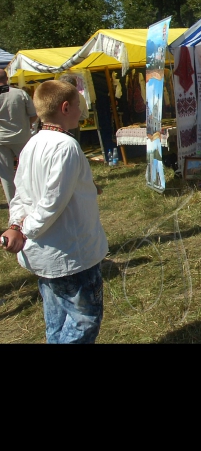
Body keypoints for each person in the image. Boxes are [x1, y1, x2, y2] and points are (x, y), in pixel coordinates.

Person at [1, 80, 107, 343]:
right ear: (65, 107)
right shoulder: (64, 146)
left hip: (49, 253)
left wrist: (17, 225)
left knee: (57, 320)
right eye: (78, 105)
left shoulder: (32, 144)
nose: (81, 111)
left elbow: (21, 194)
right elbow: (52, 202)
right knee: (83, 320)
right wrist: (23, 230)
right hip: (70, 252)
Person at [0, 68, 37, 205]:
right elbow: (34, 114)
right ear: (7, 78)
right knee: (27, 169)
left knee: (5, 174)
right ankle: (30, 199)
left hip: (1, 139)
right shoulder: (19, 93)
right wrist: (26, 124)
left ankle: (12, 204)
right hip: (21, 136)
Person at [60, 74, 90, 144]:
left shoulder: (61, 97)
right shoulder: (80, 96)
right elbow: (85, 115)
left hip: (63, 127)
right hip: (75, 125)